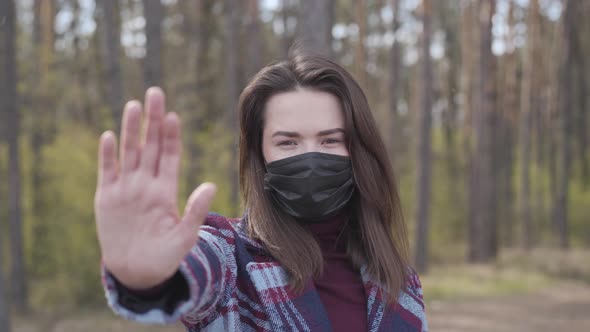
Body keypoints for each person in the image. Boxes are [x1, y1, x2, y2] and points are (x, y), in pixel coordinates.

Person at [95, 53, 428, 331]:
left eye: (330, 140)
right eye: (287, 142)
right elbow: (194, 268)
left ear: (358, 149)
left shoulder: (400, 281)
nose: (309, 157)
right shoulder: (230, 259)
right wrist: (146, 279)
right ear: (261, 155)